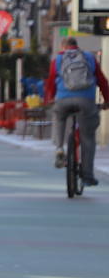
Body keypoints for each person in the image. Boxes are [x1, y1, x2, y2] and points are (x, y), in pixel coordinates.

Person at [45, 36, 109, 186]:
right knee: (88, 138)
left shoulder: (58, 60)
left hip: (63, 100)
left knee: (59, 117)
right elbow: (102, 81)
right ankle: (87, 176)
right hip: (86, 101)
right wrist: (107, 100)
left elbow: (50, 82)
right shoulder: (89, 58)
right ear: (76, 46)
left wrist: (49, 99)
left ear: (63, 47)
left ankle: (60, 148)